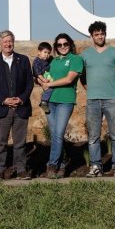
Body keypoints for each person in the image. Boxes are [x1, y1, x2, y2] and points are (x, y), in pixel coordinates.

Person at [81, 21, 115, 178]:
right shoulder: (85, 55)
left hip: (111, 99)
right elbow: (82, 77)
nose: (100, 37)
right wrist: (90, 90)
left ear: (105, 34)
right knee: (93, 136)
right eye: (97, 34)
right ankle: (96, 166)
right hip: (92, 101)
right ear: (91, 36)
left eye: (102, 34)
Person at [0, 30, 34, 180]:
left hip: (21, 107)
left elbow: (29, 82)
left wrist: (21, 99)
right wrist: (3, 100)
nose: (8, 44)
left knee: (20, 142)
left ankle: (21, 170)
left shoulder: (23, 60)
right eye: (5, 41)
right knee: (1, 142)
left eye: (10, 41)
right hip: (2, 108)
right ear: (0, 43)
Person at [38, 33, 83, 179]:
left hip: (65, 101)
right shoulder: (53, 60)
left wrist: (49, 84)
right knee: (54, 135)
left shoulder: (76, 59)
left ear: (70, 44)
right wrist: (41, 82)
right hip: (50, 101)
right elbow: (44, 75)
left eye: (65, 44)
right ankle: (62, 165)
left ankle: (51, 165)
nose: (62, 47)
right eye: (59, 45)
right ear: (56, 47)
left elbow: (69, 79)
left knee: (58, 133)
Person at [32, 42, 53, 114]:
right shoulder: (37, 61)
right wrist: (43, 80)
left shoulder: (47, 60)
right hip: (40, 77)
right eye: (45, 52)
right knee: (49, 89)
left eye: (48, 53)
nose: (47, 54)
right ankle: (43, 101)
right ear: (39, 52)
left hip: (46, 76)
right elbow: (38, 73)